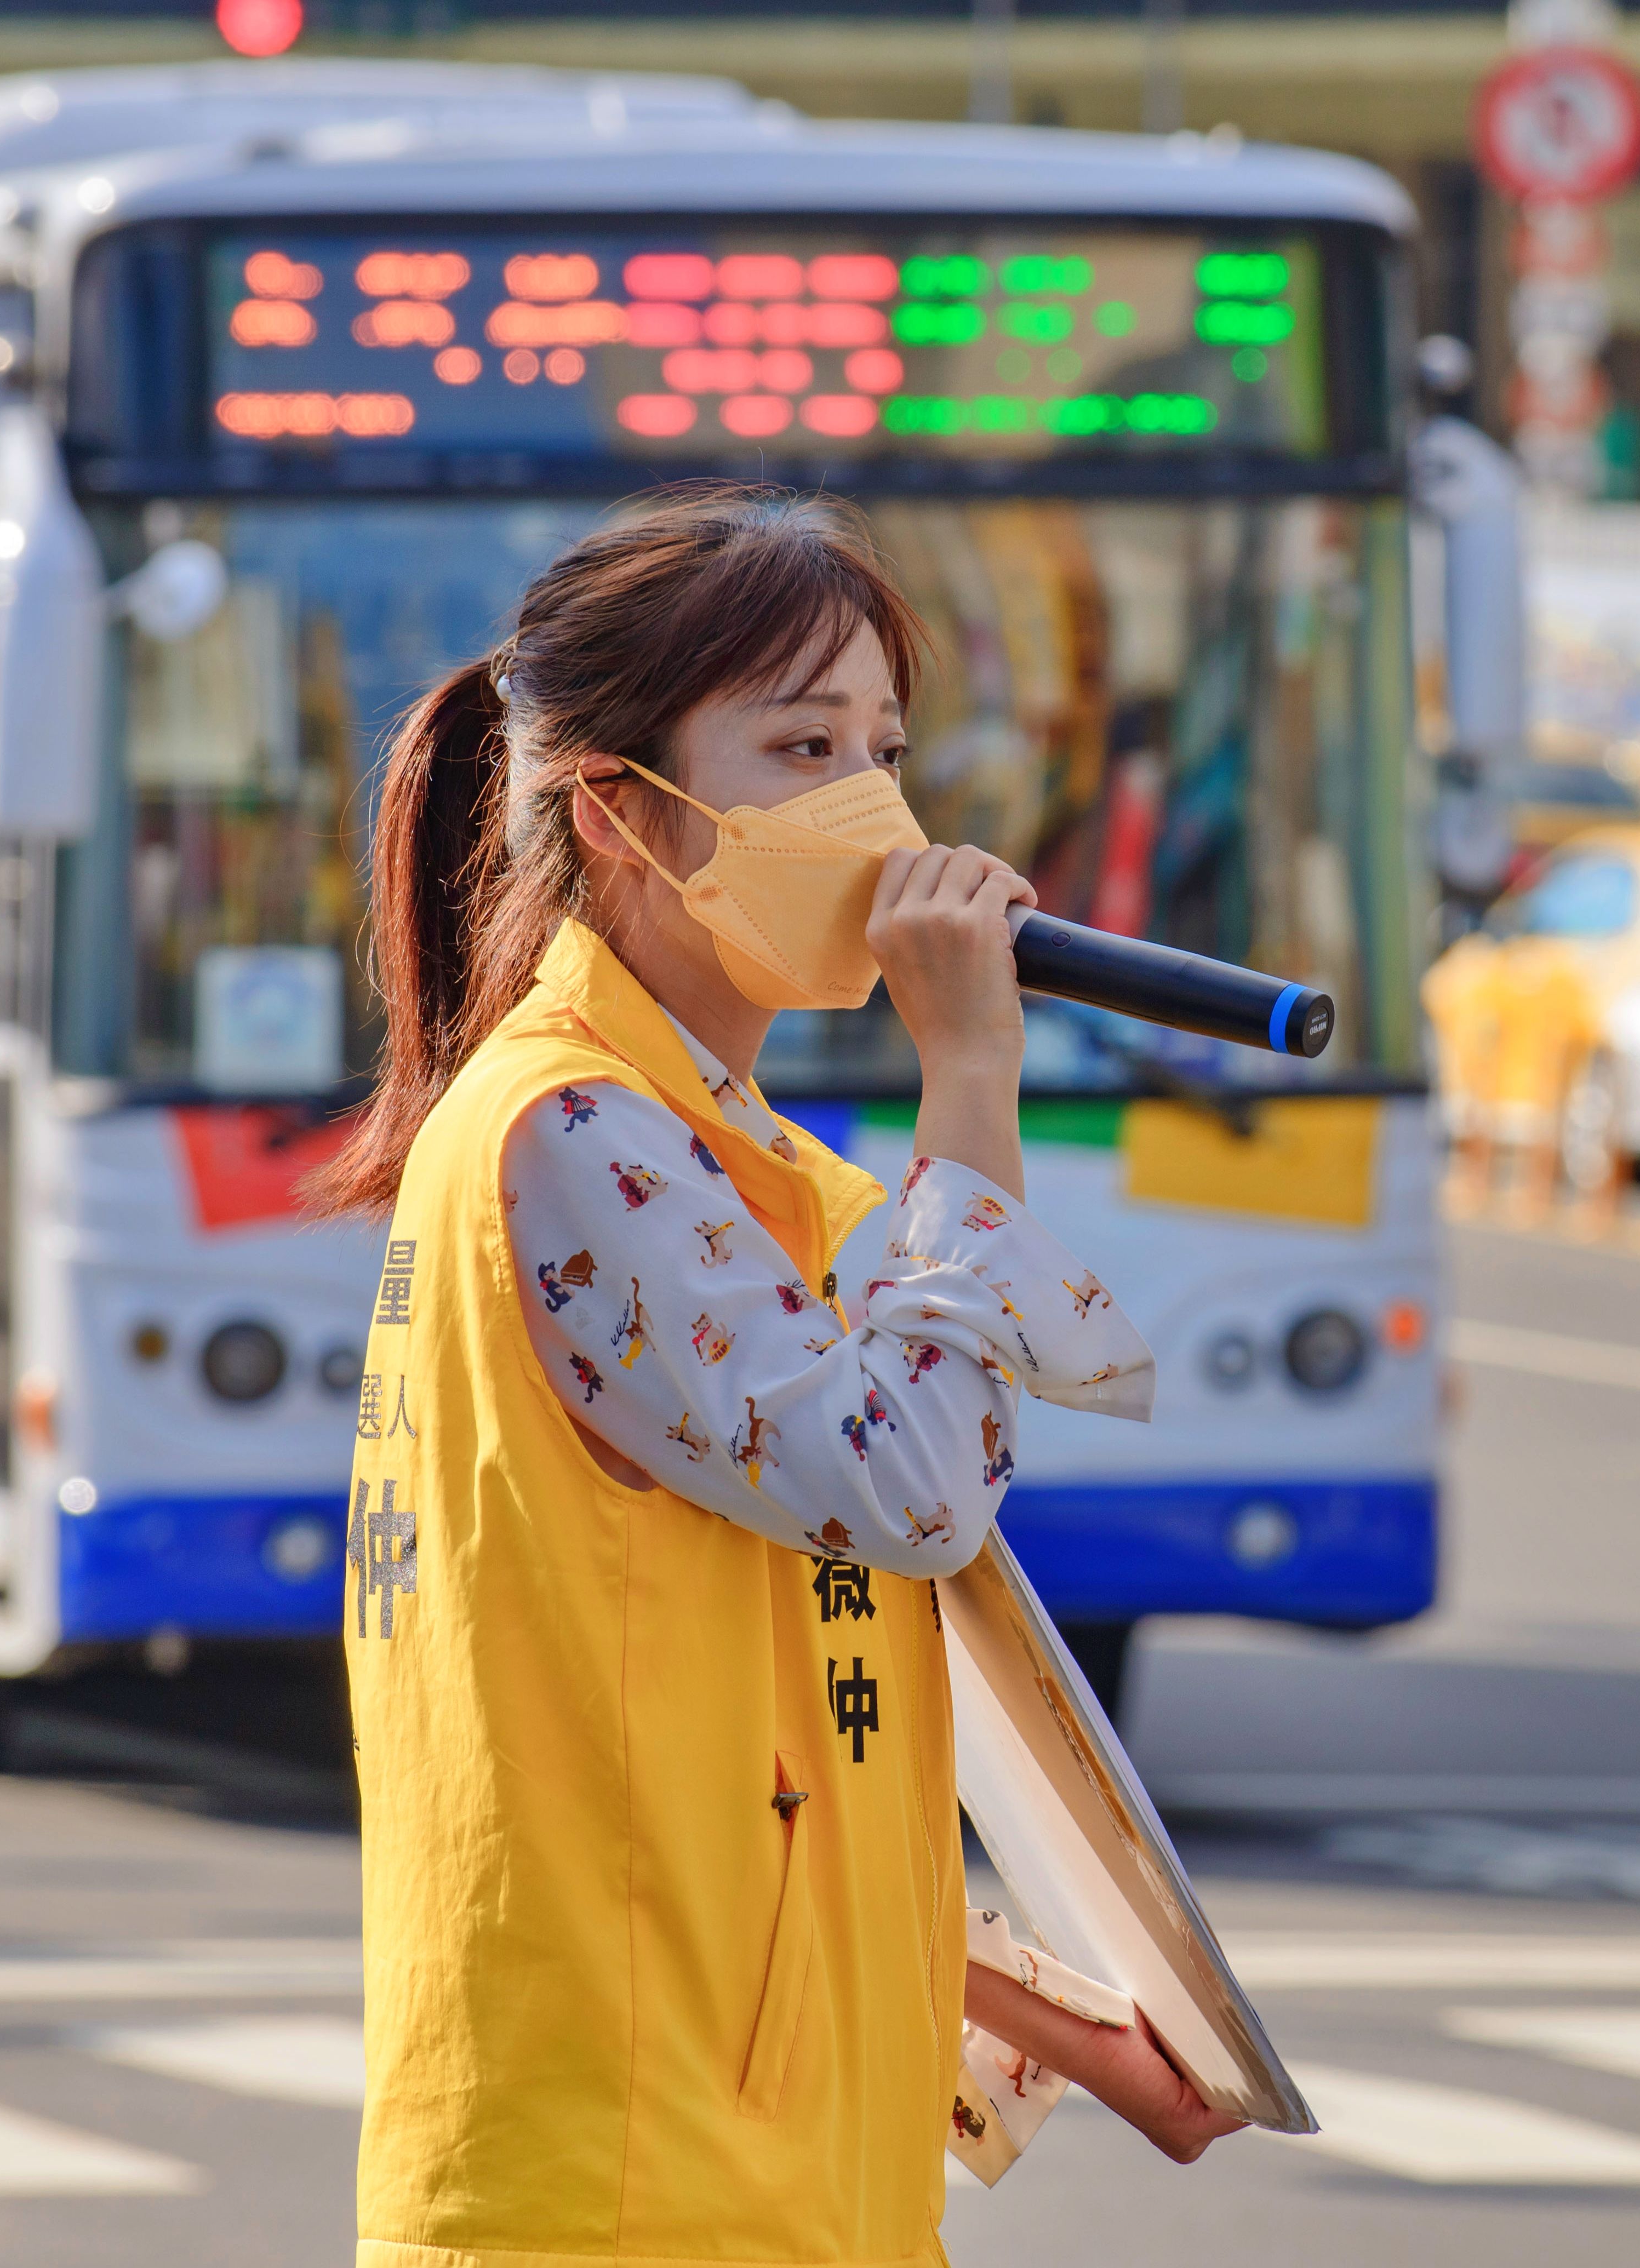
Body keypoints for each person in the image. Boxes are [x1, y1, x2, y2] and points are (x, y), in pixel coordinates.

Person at [317, 486, 1239, 2268]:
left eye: (885, 746)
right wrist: (972, 1076)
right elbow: (908, 1487)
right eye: (799, 746)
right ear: (625, 811)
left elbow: (762, 1752)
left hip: (753, 2189)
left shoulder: (721, 1160)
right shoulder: (573, 1137)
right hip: (626, 2194)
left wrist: (1067, 2028)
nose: (868, 807)